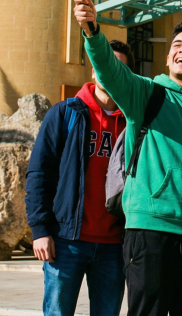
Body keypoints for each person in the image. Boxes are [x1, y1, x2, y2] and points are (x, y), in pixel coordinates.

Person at [73, 0, 182, 316]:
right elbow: (108, 69)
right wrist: (92, 30)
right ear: (167, 57)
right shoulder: (146, 94)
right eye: (177, 44)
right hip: (151, 232)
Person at [25, 40, 132, 316]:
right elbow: (39, 173)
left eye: (118, 67)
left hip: (113, 246)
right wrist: (40, 230)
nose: (110, 71)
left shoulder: (132, 124)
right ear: (94, 70)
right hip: (66, 241)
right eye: (104, 64)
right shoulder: (65, 113)